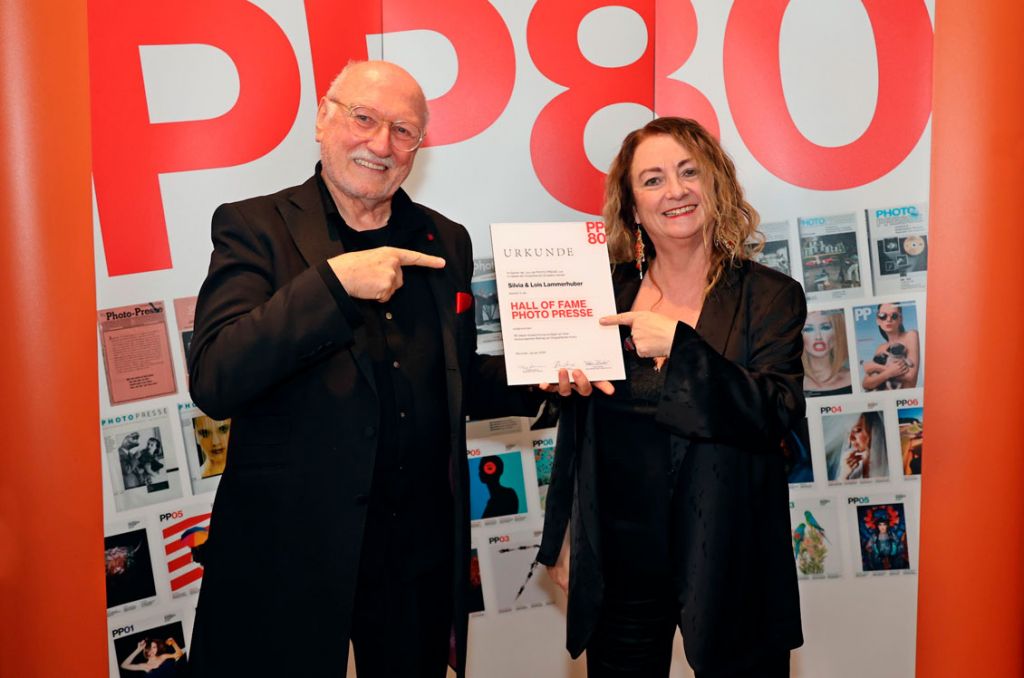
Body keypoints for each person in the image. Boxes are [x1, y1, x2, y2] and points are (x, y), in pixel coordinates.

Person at [186, 60, 537, 677]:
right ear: (324, 118)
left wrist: (549, 371)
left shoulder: (443, 240)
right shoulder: (253, 226)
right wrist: (332, 286)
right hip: (290, 555)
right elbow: (217, 376)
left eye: (404, 131)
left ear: (418, 148)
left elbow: (454, 382)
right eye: (364, 118)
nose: (381, 144)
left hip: (414, 561)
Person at [537, 117, 806, 677]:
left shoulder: (769, 296)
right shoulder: (601, 294)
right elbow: (579, 432)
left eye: (690, 172)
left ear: (716, 185)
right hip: (619, 558)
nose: (676, 191)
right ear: (633, 207)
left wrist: (681, 348)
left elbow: (775, 414)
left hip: (730, 552)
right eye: (653, 180)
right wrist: (566, 534)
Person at [862, 302, 920, 390]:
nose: (888, 319)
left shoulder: (911, 335)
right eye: (882, 316)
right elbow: (866, 383)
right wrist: (889, 372)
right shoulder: (881, 348)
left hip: (903, 399)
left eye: (894, 316)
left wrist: (877, 368)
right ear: (878, 320)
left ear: (900, 319)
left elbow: (910, 376)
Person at [801, 309, 852, 396]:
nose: (818, 337)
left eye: (825, 327)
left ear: (837, 332)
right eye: (808, 329)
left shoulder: (854, 378)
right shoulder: (793, 384)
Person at [831, 411, 888, 481]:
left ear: (874, 430)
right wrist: (844, 475)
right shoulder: (850, 463)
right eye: (848, 432)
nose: (850, 438)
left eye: (856, 430)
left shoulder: (889, 462)